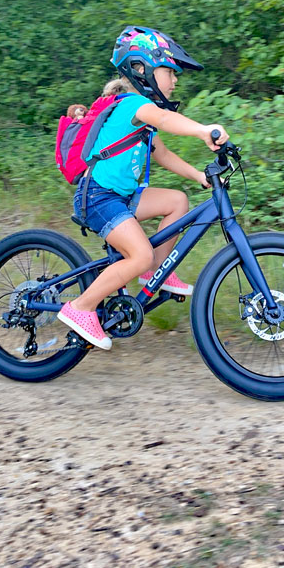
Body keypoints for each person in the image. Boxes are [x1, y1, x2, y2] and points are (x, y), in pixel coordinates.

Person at [57, 26, 229, 349]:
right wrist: (204, 130)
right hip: (98, 197)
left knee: (177, 201)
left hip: (120, 196)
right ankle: (81, 308)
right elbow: (165, 119)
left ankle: (154, 273)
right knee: (139, 255)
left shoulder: (143, 116)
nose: (174, 80)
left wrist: (199, 176)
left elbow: (162, 155)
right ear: (141, 69)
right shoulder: (132, 105)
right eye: (169, 72)